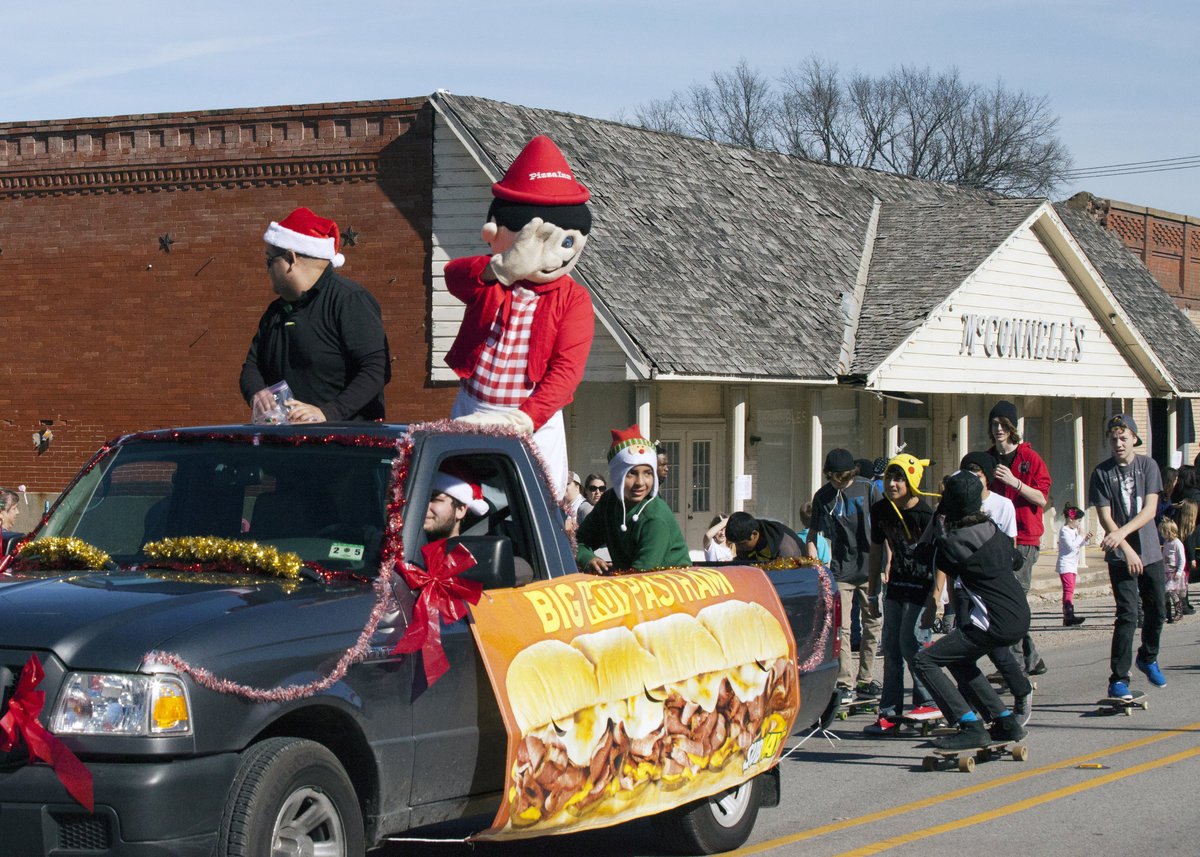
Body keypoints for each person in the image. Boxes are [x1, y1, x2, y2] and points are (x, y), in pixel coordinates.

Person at [443, 135, 595, 497]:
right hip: (473, 407)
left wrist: (524, 418)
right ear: (496, 232)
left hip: (532, 420)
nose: (554, 256)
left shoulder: (572, 298)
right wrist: (503, 269)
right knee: (459, 494)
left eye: (567, 242)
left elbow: (566, 372)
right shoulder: (492, 281)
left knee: (536, 502)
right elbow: (455, 276)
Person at [912, 470, 1030, 751]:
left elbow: (921, 556)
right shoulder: (993, 530)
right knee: (958, 659)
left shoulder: (953, 543)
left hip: (993, 621)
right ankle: (1004, 720)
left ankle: (970, 725)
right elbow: (1015, 561)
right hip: (1018, 614)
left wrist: (936, 521)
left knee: (924, 661)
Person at [240, 207, 391, 423]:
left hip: (346, 445)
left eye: (269, 261)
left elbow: (376, 369)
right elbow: (252, 367)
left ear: (290, 259)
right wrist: (257, 393)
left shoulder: (349, 300)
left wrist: (327, 413)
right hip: (288, 444)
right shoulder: (275, 312)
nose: (267, 271)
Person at [1088, 413, 1167, 699]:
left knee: (1158, 609)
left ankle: (1147, 656)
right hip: (1122, 558)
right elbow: (1105, 517)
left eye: (1123, 438)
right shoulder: (1102, 473)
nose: (1118, 444)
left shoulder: (1148, 466)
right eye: (1113, 439)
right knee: (1127, 614)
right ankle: (1119, 679)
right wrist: (1125, 547)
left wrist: (1122, 536)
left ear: (1134, 438)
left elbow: (1149, 511)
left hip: (1150, 553)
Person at [863, 455, 940, 736]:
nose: (892, 484)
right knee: (892, 649)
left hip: (923, 588)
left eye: (899, 479)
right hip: (896, 586)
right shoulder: (880, 510)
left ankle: (929, 703)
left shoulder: (926, 515)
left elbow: (941, 558)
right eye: (889, 479)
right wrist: (872, 594)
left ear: (912, 482)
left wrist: (937, 598)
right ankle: (890, 712)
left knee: (913, 645)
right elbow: (875, 551)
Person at [956, 452, 1033, 724]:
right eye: (966, 475)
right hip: (964, 587)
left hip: (991, 589)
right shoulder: (956, 505)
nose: (972, 481)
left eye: (977, 475)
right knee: (962, 649)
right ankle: (969, 706)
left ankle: (1021, 691)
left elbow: (1010, 551)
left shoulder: (1002, 506)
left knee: (997, 648)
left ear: (987, 478)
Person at [808, 447, 883, 704]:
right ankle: (845, 683)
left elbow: (884, 527)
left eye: (843, 477)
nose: (838, 482)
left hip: (870, 567)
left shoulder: (868, 489)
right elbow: (813, 534)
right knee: (844, 628)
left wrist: (887, 564)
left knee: (873, 625)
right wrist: (814, 565)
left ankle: (866, 679)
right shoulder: (823, 496)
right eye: (833, 477)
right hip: (841, 569)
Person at [986, 400, 1050, 677]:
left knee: (1010, 601)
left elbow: (1042, 498)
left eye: (1003, 424)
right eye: (994, 424)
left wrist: (1016, 482)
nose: (998, 429)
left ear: (1012, 428)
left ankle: (1011, 668)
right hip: (995, 538)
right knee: (1005, 601)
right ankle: (1032, 659)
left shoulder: (1030, 459)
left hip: (1024, 538)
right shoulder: (988, 459)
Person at [576, 426, 690, 573]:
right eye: (631, 473)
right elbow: (578, 541)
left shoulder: (655, 517)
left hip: (668, 588)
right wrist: (588, 558)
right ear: (618, 476)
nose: (640, 482)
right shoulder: (608, 502)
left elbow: (640, 576)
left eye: (648, 473)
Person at [424, 468, 490, 542]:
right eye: (421, 499)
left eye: (434, 500)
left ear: (460, 509)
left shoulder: (466, 553)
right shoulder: (409, 545)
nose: (424, 507)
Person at [1056, 502, 1092, 627]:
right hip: (1065, 565)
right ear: (1071, 519)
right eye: (1078, 521)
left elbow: (1077, 545)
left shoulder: (1073, 531)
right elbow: (1071, 547)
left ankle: (1069, 614)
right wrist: (1080, 535)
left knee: (1070, 589)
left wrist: (1085, 539)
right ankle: (1068, 615)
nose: (1079, 524)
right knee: (1068, 590)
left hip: (1072, 564)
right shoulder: (1064, 530)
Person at [726, 511, 804, 561]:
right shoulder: (746, 542)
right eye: (736, 544)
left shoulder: (783, 546)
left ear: (754, 535)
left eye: (741, 544)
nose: (738, 548)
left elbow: (785, 577)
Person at [1160, 518, 1188, 622]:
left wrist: (1179, 571)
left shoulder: (1177, 543)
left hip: (1175, 573)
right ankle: (1167, 614)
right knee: (1165, 594)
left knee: (1171, 591)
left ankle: (1179, 611)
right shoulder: (1166, 543)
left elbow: (1182, 559)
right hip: (1167, 572)